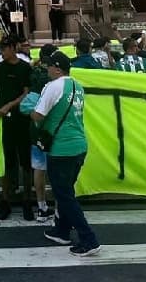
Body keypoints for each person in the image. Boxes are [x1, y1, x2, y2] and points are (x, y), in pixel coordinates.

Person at [32, 51, 100, 257]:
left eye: (49, 67)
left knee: (65, 196)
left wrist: (29, 108)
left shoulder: (53, 86)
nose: (47, 70)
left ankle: (88, 238)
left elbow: (38, 114)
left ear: (57, 68)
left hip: (61, 149)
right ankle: (62, 230)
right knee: (65, 192)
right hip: (79, 146)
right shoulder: (77, 86)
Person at [0, 38, 33, 221]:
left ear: (13, 48)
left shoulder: (25, 68)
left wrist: (9, 105)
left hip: (23, 119)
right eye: (1, 50)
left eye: (4, 49)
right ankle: (5, 201)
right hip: (5, 121)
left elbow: (27, 92)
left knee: (26, 164)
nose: (2, 53)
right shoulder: (0, 68)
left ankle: (28, 201)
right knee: (7, 162)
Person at [20, 43, 58, 222]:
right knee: (57, 169)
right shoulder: (55, 78)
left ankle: (42, 206)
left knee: (39, 168)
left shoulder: (32, 72)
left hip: (36, 128)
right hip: (54, 129)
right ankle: (59, 209)